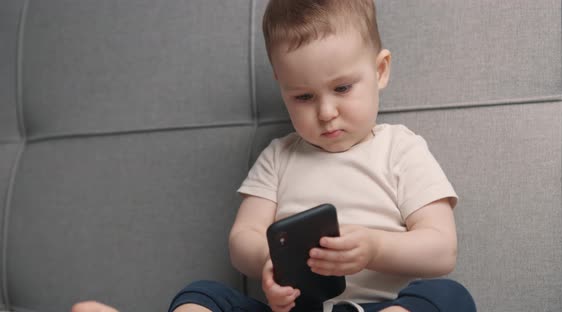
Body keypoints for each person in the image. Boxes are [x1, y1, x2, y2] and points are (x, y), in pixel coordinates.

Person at [73, 1, 476, 311]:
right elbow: (241, 240)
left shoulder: (401, 149)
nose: (325, 111)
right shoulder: (279, 157)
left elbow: (442, 250)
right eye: (303, 96)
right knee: (203, 293)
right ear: (281, 86)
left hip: (374, 306)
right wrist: (271, 263)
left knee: (447, 296)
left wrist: (374, 248)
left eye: (342, 88)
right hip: (291, 307)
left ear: (381, 70)